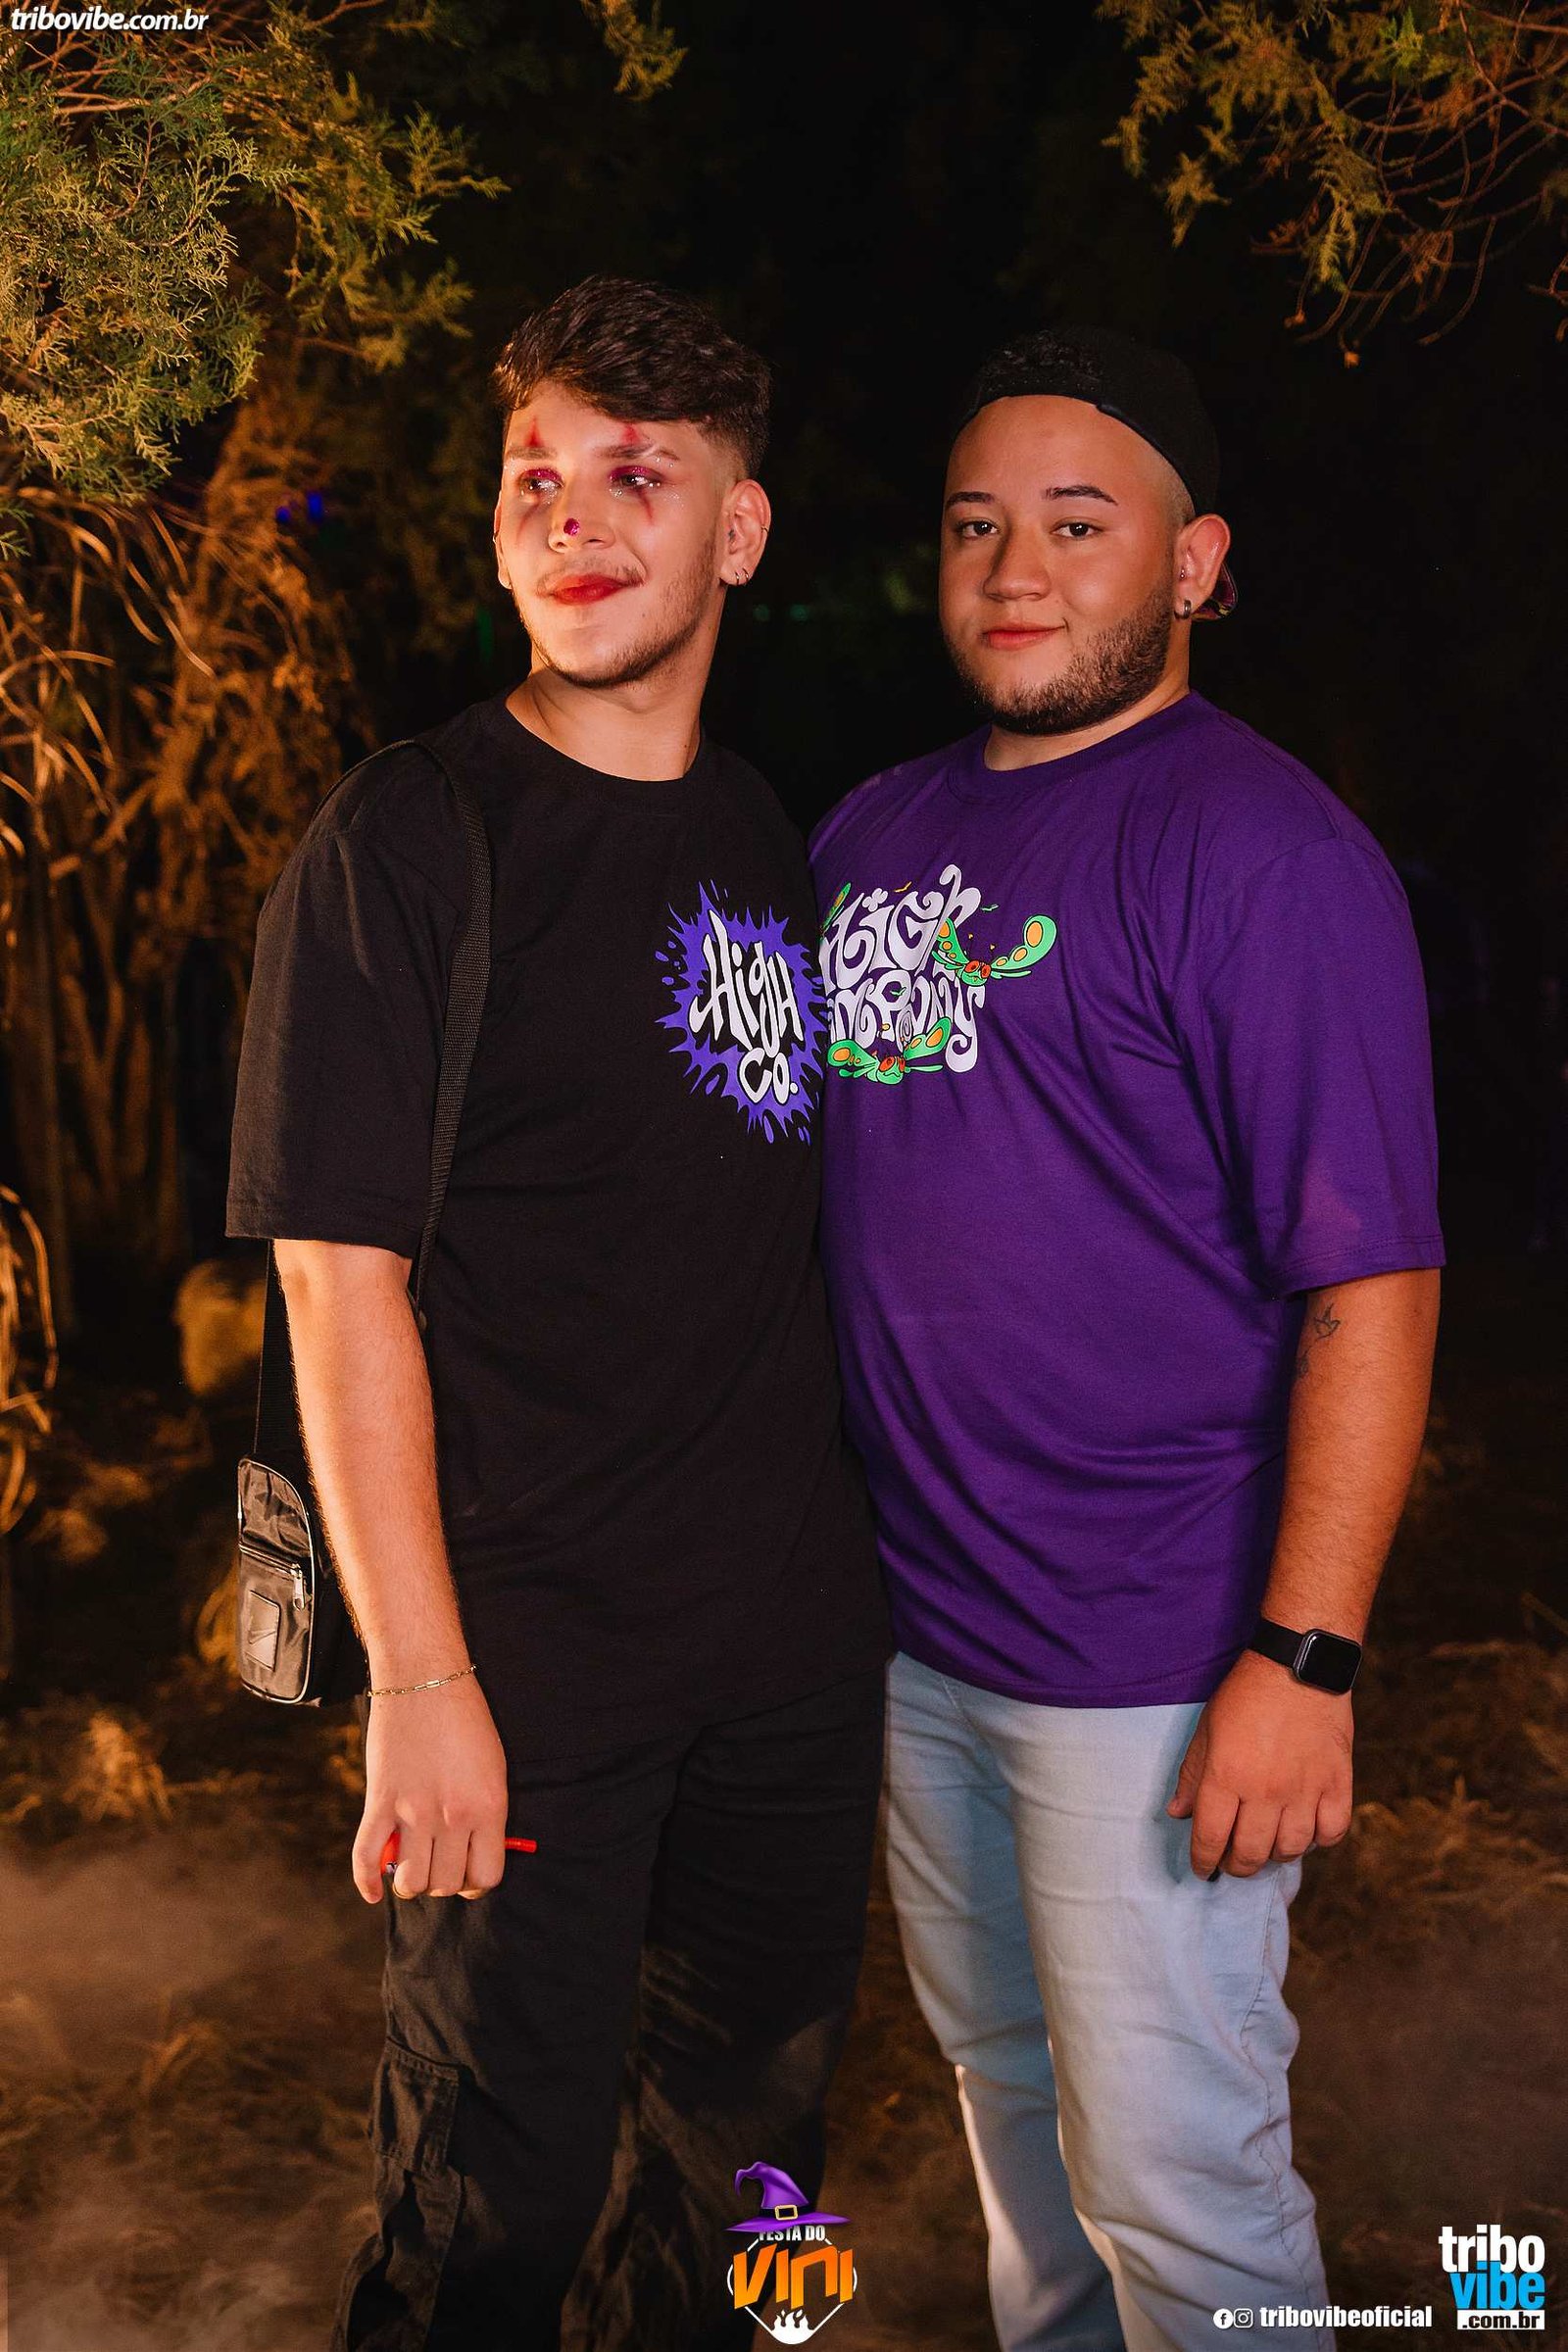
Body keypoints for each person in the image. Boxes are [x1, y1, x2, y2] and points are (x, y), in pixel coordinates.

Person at [225, 274, 891, 2352]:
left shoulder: (763, 832)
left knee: (753, 2189)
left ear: (738, 530)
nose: (574, 517)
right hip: (528, 1679)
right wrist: (421, 1679)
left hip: (787, 1670)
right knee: (484, 2223)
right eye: (537, 477)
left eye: (636, 475)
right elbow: (335, 1285)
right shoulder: (408, 843)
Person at [808, 325, 1444, 2352]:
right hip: (922, 1643)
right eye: (975, 524)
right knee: (1017, 2127)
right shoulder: (866, 837)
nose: (1016, 569)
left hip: (1155, 1666)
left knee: (1181, 2189)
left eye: (1078, 525)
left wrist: (1303, 1659)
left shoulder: (1263, 854)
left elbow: (1371, 1284)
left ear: (1194, 563)